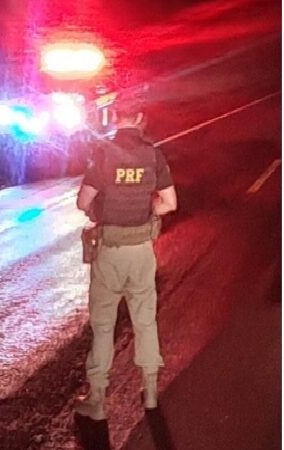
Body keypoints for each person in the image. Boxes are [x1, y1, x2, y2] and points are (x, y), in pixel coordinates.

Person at [74, 101, 177, 420]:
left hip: (110, 252)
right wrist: (147, 212)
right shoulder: (153, 154)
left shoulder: (104, 154)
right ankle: (149, 392)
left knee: (104, 325)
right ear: (141, 119)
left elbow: (82, 202)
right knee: (145, 320)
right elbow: (170, 203)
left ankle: (98, 399)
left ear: (115, 119)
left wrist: (100, 211)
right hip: (142, 251)